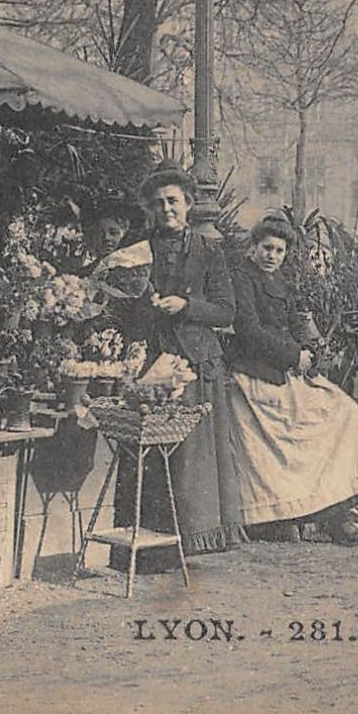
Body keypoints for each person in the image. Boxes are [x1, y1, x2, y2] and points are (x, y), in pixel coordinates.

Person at [111, 168, 246, 566]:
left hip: (195, 362)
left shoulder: (208, 251)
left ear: (188, 204)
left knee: (190, 458)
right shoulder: (137, 251)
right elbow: (122, 306)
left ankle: (191, 542)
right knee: (149, 456)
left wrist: (186, 307)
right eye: (158, 203)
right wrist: (143, 305)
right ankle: (150, 545)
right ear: (149, 210)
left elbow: (226, 310)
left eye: (173, 200)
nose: (166, 208)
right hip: (151, 361)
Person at [228, 217, 358, 546]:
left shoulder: (280, 281)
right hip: (256, 372)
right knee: (310, 428)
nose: (272, 255)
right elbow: (249, 331)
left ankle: (336, 510)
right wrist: (293, 356)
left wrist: (313, 348)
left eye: (280, 251)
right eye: (267, 248)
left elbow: (295, 322)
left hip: (285, 369)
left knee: (345, 410)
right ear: (253, 247)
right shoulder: (242, 278)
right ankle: (301, 515)